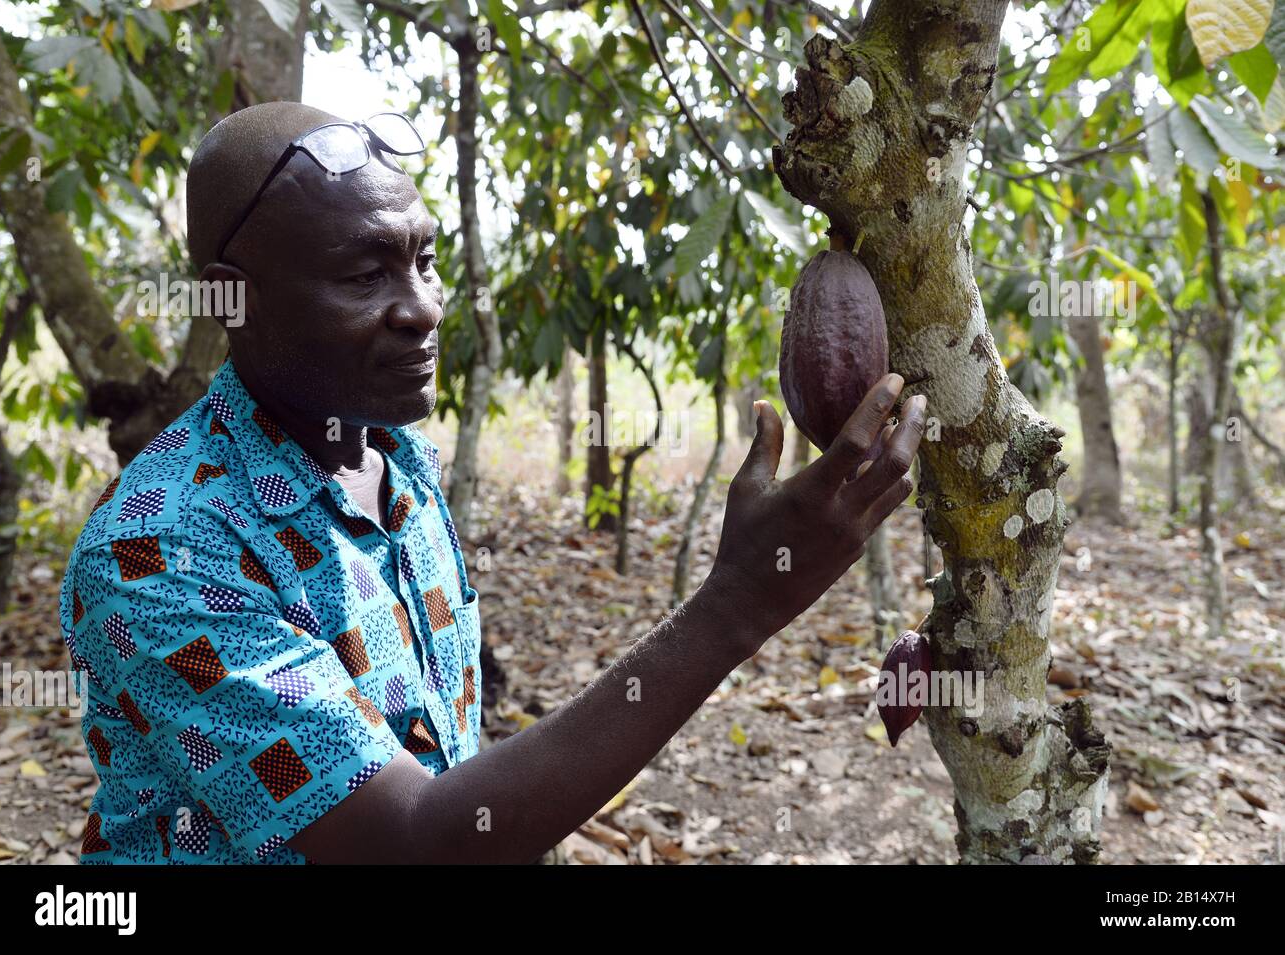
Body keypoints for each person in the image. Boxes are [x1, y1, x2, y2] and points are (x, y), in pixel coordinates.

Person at [58, 102, 926, 864]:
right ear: (228, 303)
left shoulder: (396, 460)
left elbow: (449, 765)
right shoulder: (161, 548)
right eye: (367, 274)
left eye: (425, 260)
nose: (427, 306)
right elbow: (412, 840)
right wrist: (737, 603)